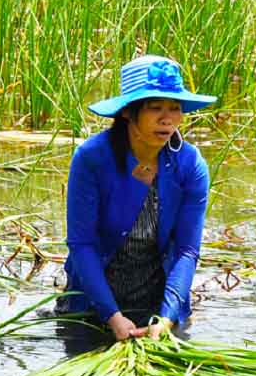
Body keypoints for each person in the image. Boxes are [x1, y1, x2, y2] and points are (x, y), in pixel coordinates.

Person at [56, 55, 217, 345]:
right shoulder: (92, 159)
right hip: (93, 307)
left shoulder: (190, 164)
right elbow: (82, 245)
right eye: (155, 108)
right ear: (129, 113)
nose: (167, 119)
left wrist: (167, 317)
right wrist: (112, 315)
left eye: (175, 109)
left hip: (157, 307)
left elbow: (186, 251)